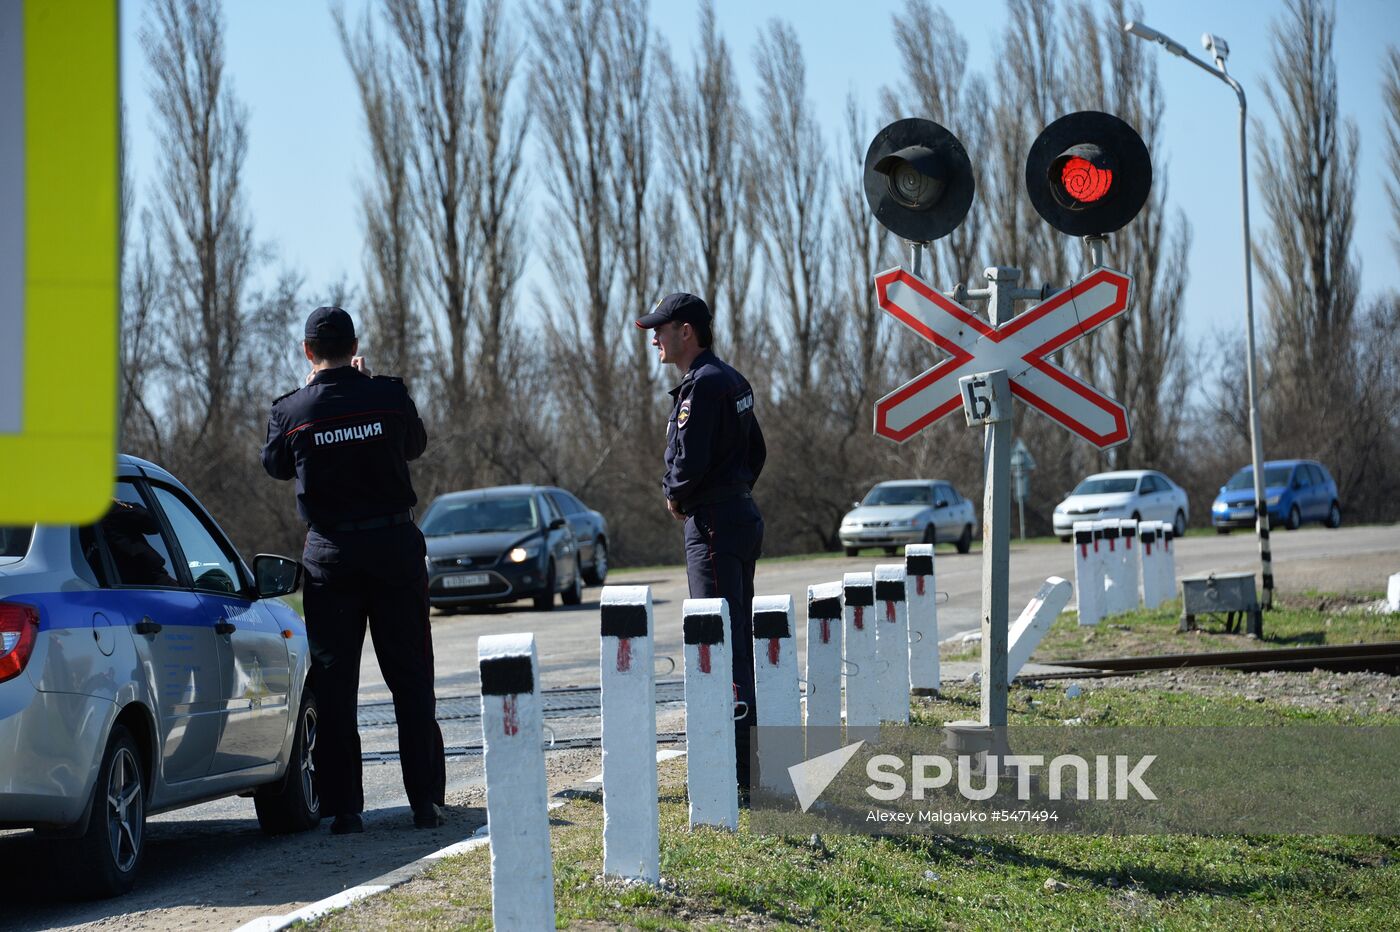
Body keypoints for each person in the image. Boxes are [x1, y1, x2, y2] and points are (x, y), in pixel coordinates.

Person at [261, 306, 446, 834]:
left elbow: (274, 465)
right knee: (411, 679)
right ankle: (424, 802)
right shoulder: (388, 395)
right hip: (394, 550)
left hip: (331, 559)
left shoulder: (292, 410)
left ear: (307, 352)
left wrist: (309, 396)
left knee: (337, 687)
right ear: (355, 345)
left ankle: (346, 809)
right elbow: (415, 444)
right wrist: (365, 387)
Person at [635, 293, 766, 787]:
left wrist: (676, 495)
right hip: (737, 514)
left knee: (719, 643)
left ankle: (733, 770)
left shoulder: (703, 386)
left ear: (685, 331)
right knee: (736, 639)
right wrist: (733, 491)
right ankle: (744, 763)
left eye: (661, 329)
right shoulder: (729, 378)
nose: (654, 339)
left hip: (712, 522)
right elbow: (756, 453)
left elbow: (687, 464)